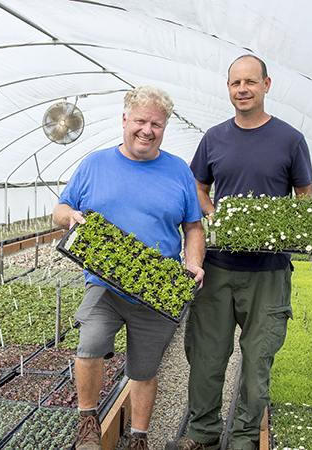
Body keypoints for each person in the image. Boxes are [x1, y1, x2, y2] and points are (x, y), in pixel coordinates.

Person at [167, 55, 312, 450]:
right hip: (217, 266)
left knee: (258, 358)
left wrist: (279, 229)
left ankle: (246, 436)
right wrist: (218, 218)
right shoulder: (214, 138)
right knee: (206, 356)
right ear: (228, 88)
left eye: (250, 82)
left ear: (267, 85)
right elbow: (198, 188)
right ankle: (202, 431)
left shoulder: (290, 139)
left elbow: (304, 196)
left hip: (268, 271)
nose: (242, 89)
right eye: (235, 83)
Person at [53, 86, 205, 450]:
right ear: (124, 120)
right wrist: (69, 217)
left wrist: (194, 263)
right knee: (89, 345)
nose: (147, 130)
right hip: (104, 282)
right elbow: (60, 208)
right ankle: (88, 421)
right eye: (140, 121)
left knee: (144, 368)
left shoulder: (178, 171)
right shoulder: (94, 164)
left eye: (156, 124)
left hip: (157, 286)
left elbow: (194, 226)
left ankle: (139, 437)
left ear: (164, 128)